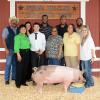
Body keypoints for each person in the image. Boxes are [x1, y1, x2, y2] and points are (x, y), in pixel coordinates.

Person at [2, 16, 19, 85]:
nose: (14, 22)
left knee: (15, 64)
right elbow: (3, 40)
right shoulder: (6, 29)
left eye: (15, 21)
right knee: (8, 64)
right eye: (13, 21)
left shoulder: (18, 29)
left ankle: (14, 77)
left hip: (16, 50)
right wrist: (6, 49)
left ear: (16, 22)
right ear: (10, 22)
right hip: (10, 50)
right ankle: (6, 79)